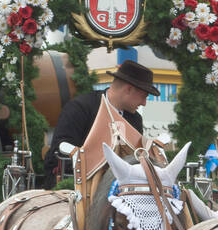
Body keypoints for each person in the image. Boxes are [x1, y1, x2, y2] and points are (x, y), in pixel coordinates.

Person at [41, 59, 158, 188]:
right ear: (129, 89)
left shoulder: (135, 120)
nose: (144, 103)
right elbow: (60, 154)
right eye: (144, 96)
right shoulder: (80, 108)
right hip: (76, 186)